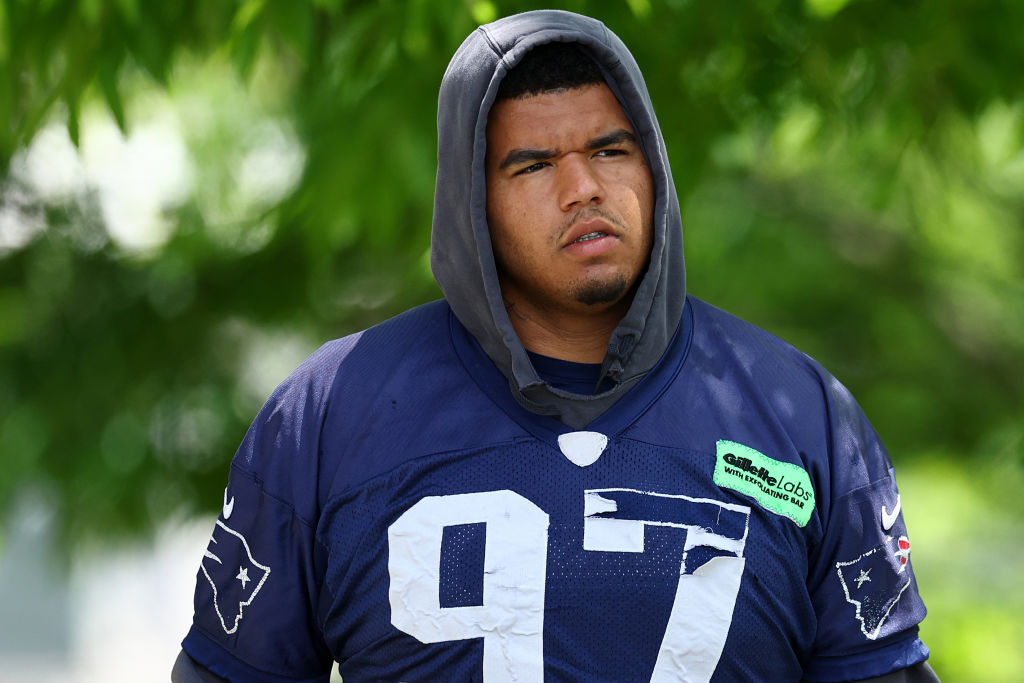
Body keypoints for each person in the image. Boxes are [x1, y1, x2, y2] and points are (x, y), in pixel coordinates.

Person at [173, 10, 938, 682]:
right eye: (534, 165)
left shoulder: (801, 414)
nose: (584, 188)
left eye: (611, 150)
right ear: (473, 205)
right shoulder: (329, 413)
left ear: (652, 166)